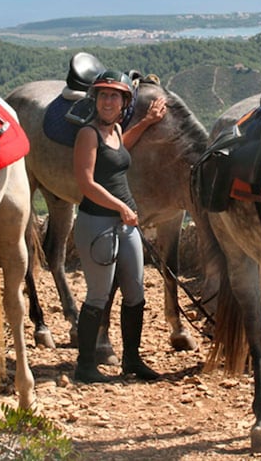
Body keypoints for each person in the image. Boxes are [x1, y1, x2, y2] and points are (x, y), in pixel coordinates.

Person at [72, 69, 167, 383]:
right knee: (98, 295)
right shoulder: (88, 133)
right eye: (103, 95)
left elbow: (120, 148)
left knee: (135, 292)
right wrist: (121, 206)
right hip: (97, 222)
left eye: (114, 96)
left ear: (124, 102)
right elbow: (86, 183)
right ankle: (85, 365)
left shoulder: (113, 131)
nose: (108, 101)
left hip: (123, 223)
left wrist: (147, 122)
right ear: (96, 100)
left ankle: (132, 359)